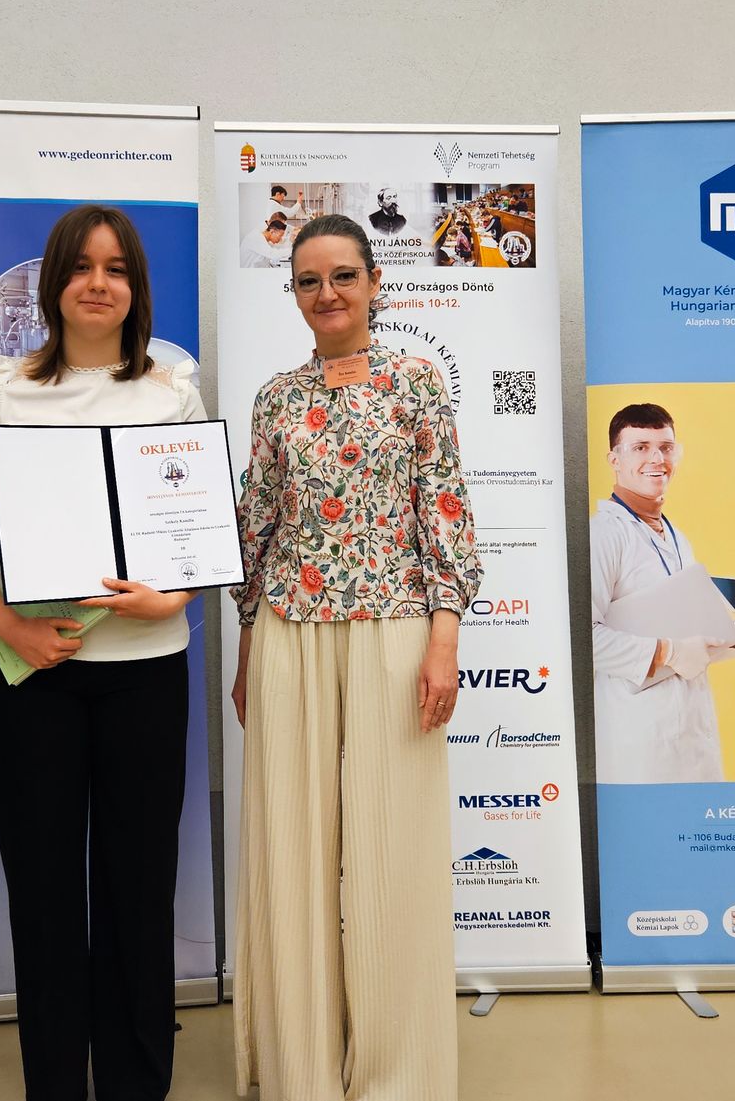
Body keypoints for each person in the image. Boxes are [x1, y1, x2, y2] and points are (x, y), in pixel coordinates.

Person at [0, 204, 205, 1101]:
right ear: (52, 284)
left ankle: (135, 1085)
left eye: (116, 268)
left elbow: (198, 530)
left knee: (139, 892)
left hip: (147, 676)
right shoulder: (5, 392)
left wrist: (175, 596)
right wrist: (11, 628)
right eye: (81, 266)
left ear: (136, 288)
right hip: (35, 677)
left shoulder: (172, 390)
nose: (98, 283)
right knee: (44, 895)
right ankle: (55, 1084)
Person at [230, 213, 477, 1100]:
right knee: (290, 851)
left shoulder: (417, 384)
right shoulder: (274, 399)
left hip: (396, 629)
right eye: (308, 280)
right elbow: (255, 528)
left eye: (342, 275)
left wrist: (444, 638)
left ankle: (396, 1073)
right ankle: (299, 1069)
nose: (327, 293)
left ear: (375, 283)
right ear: (293, 293)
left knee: (391, 851)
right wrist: (247, 646)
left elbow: (444, 509)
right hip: (289, 632)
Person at [589, 404, 735, 784]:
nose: (657, 459)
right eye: (640, 447)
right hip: (638, 738)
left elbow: (695, 642)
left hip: (692, 732)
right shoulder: (604, 533)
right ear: (614, 460)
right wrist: (667, 652)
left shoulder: (676, 537)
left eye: (666, 447)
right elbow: (582, 639)